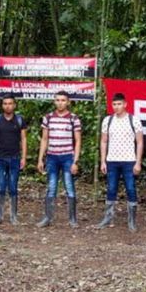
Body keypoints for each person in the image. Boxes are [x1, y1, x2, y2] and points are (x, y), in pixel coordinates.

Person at [97, 92, 144, 232]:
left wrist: (138, 162)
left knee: (130, 189)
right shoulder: (107, 120)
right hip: (112, 160)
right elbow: (104, 141)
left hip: (129, 160)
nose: (116, 107)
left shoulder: (134, 120)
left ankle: (132, 221)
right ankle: (108, 218)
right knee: (111, 189)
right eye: (114, 104)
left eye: (119, 104)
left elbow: (140, 142)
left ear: (125, 104)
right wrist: (103, 161)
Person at [36, 91, 82, 228]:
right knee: (51, 187)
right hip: (52, 157)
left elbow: (78, 141)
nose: (60, 102)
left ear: (68, 102)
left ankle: (73, 219)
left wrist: (75, 161)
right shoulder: (48, 118)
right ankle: (48, 218)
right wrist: (40, 159)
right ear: (54, 102)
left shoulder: (73, 118)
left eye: (63, 100)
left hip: (67, 156)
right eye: (57, 100)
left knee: (69, 187)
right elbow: (44, 139)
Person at [0, 94, 27, 225]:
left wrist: (24, 158)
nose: (7, 106)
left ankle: (13, 216)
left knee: (13, 187)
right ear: (2, 105)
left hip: (15, 158)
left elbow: (24, 139)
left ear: (14, 105)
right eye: (5, 103)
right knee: (0, 186)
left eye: (10, 103)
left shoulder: (20, 120)